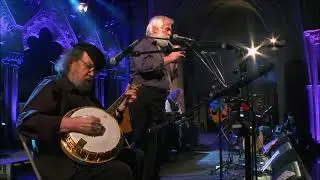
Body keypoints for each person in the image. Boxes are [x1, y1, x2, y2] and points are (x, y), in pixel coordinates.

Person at [17, 43, 137, 180]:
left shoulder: (87, 96)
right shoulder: (53, 85)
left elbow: (102, 126)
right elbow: (25, 122)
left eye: (95, 70)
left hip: (89, 161)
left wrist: (119, 111)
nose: (92, 73)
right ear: (71, 62)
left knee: (135, 157)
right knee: (120, 171)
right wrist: (71, 124)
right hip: (63, 166)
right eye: (88, 66)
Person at [129, 15, 185, 180]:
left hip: (157, 99)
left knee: (157, 145)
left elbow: (168, 78)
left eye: (170, 29)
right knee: (145, 143)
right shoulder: (143, 44)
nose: (170, 33)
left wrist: (174, 63)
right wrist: (169, 58)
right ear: (154, 29)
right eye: (166, 28)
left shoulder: (161, 51)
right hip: (143, 96)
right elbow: (145, 67)